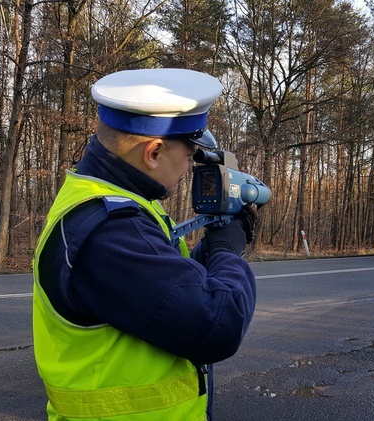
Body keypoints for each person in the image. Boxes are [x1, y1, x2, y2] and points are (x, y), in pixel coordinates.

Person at [32, 68, 257, 421]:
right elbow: (216, 324)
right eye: (189, 154)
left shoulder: (112, 200)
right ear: (153, 152)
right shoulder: (110, 231)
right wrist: (228, 252)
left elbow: (163, 286)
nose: (188, 168)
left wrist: (212, 245)